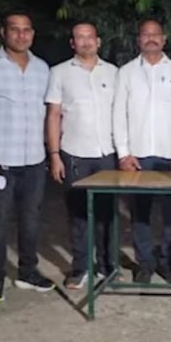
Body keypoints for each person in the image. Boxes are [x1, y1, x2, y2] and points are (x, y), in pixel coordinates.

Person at [0, 10, 55, 303]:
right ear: (3, 33)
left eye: (26, 29)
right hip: (0, 160)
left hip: (34, 159)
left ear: (33, 34)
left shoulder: (42, 68)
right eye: (15, 29)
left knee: (31, 219)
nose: (21, 35)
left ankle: (27, 272)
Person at [112, 18, 171, 283]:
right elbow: (118, 114)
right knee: (140, 213)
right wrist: (123, 153)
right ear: (138, 39)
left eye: (155, 34)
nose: (151, 38)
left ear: (164, 39)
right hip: (137, 156)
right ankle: (145, 263)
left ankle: (169, 261)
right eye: (145, 34)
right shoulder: (126, 72)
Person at [46, 22, 118, 289]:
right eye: (80, 37)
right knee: (78, 215)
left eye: (90, 37)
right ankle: (81, 267)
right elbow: (54, 115)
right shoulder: (59, 72)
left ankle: (108, 266)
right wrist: (54, 155)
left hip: (107, 153)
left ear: (98, 41)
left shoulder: (113, 73)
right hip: (75, 153)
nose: (86, 42)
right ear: (72, 43)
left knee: (107, 214)